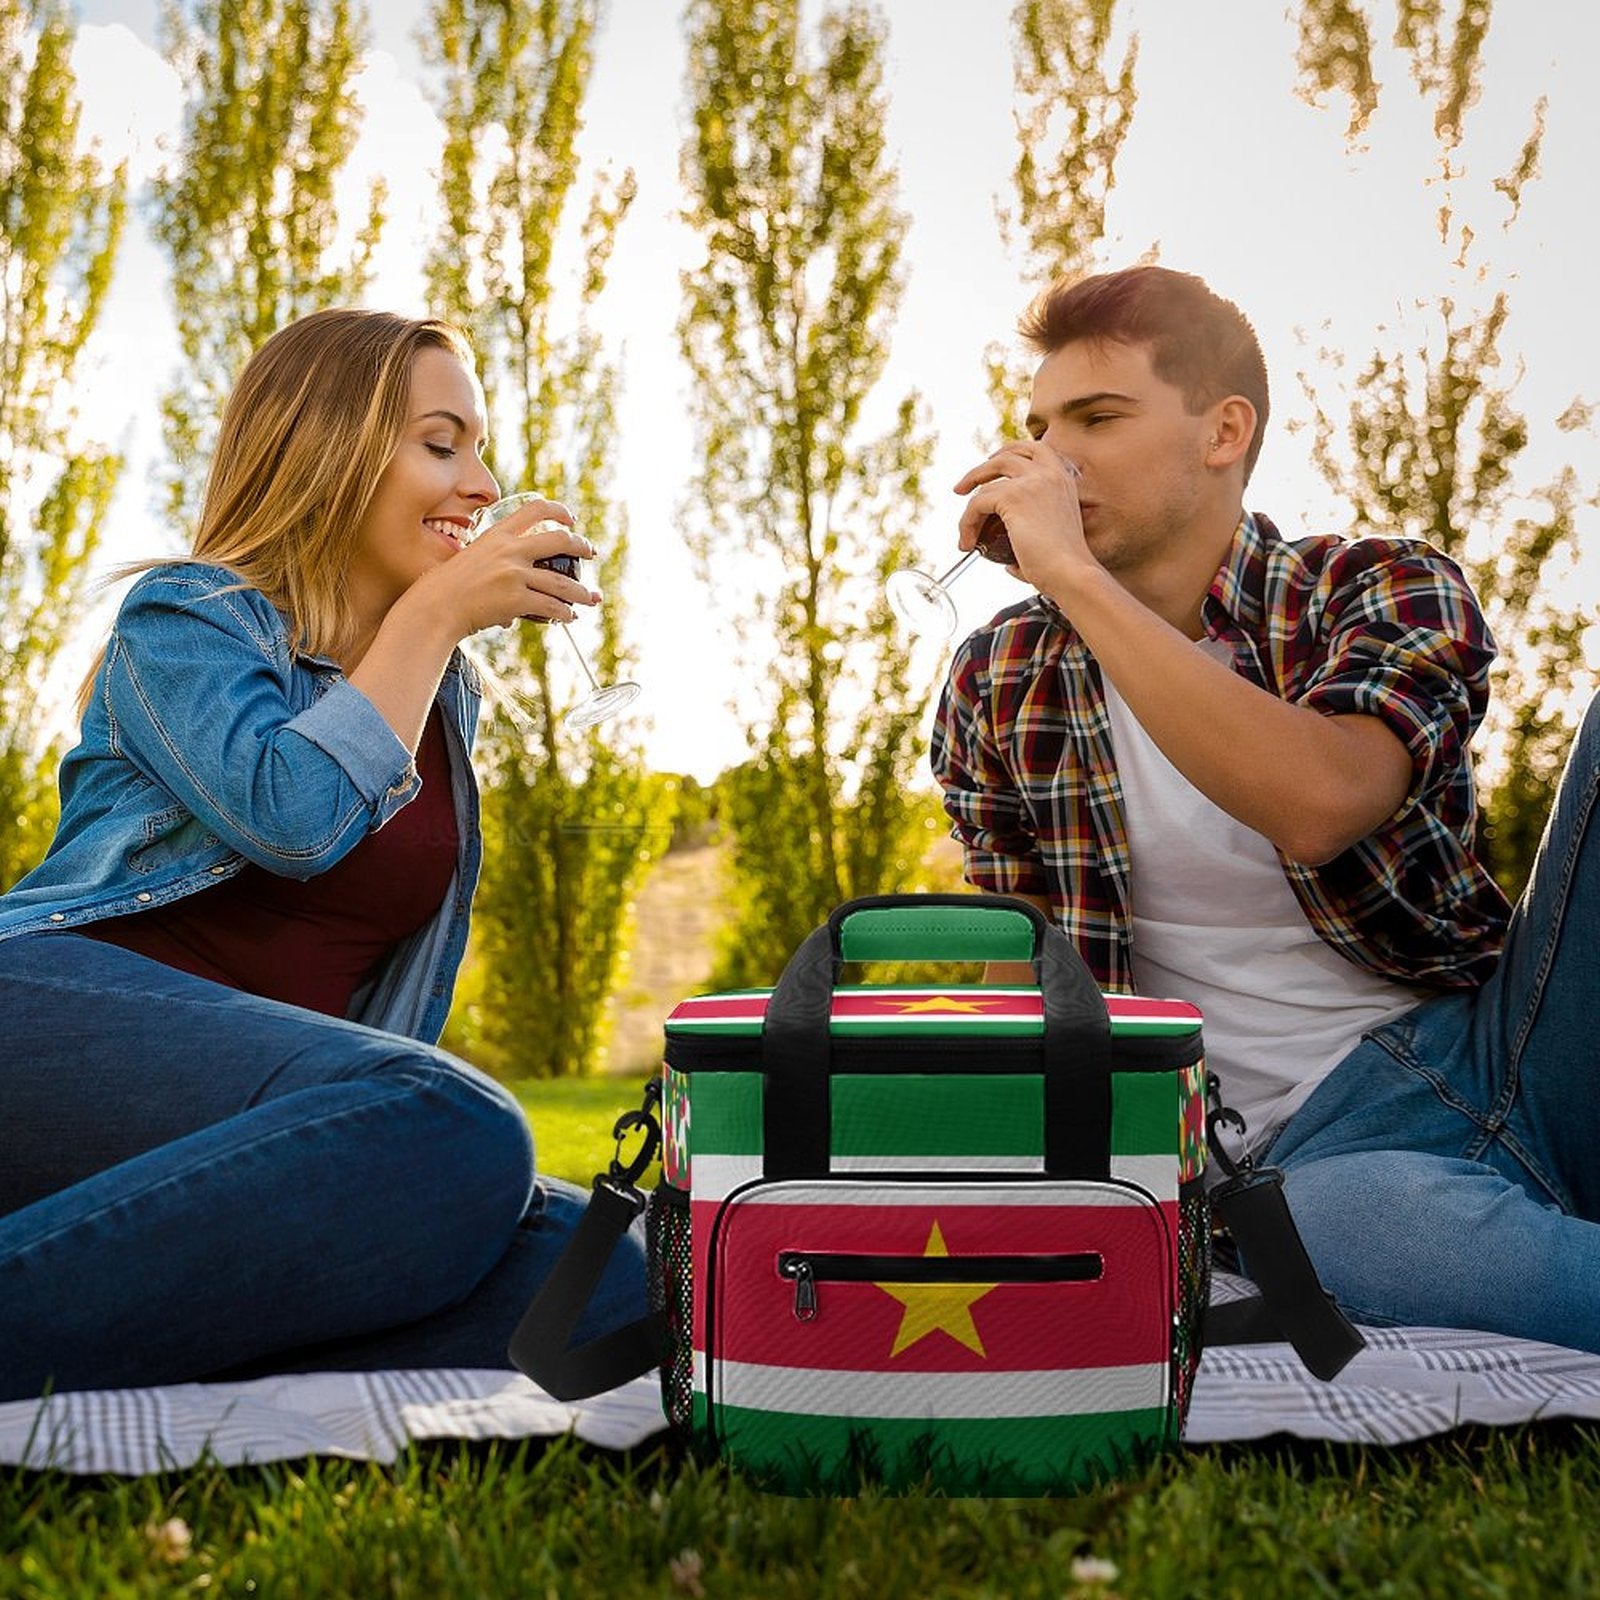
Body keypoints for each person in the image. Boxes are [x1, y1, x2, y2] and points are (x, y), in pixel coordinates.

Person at [931, 263, 1600, 1353]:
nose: (1053, 457)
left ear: (1224, 431)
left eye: (1098, 418)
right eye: (1041, 425)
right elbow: (1037, 985)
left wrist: (1077, 581)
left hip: (1502, 1051)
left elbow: (1324, 800)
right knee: (1325, 1231)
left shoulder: (1375, 586)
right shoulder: (998, 677)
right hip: (1309, 1162)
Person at [0, 308, 645, 1401]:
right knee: (461, 1126)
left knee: (610, 1282)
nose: (483, 485)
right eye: (441, 444)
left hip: (248, 1122)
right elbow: (291, 819)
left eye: (481, 450)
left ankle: (121, 1337)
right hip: (42, 1030)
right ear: (328, 451)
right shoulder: (187, 618)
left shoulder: (442, 700)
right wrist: (434, 617)